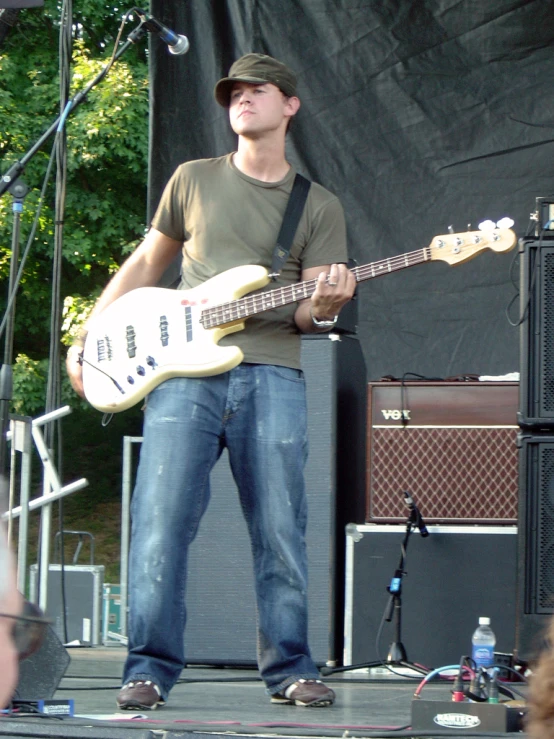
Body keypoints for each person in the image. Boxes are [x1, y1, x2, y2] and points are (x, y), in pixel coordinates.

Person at [66, 52, 356, 710]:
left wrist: (328, 304)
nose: (242, 100)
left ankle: (290, 666)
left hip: (273, 373)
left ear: (290, 106)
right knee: (160, 524)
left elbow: (310, 314)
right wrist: (90, 337)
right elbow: (147, 262)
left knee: (282, 526)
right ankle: (146, 667)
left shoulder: (318, 205)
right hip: (182, 376)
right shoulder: (193, 179)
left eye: (259, 90)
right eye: (234, 92)